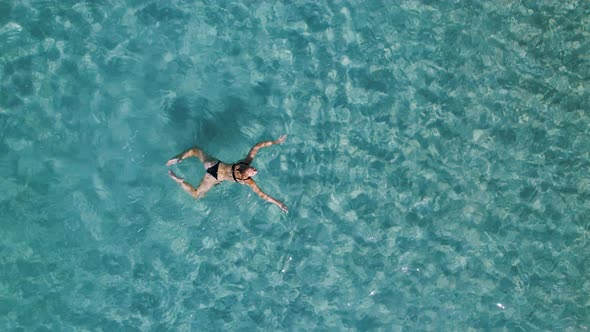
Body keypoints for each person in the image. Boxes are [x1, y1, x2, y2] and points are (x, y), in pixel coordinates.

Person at [166, 135, 288, 212]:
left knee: (195, 151)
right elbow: (262, 194)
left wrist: (275, 142)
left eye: (254, 171)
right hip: (213, 177)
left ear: (249, 171)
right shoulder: (247, 180)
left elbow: (257, 146)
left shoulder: (245, 163)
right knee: (197, 194)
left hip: (213, 164)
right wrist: (278, 203)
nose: (255, 171)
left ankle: (180, 158)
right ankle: (179, 180)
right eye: (254, 170)